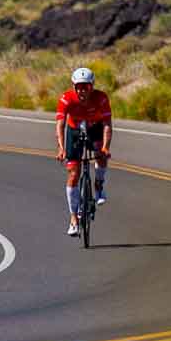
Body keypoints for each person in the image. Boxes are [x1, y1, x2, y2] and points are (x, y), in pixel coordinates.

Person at [54, 67, 112, 236]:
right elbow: (60, 124)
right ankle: (73, 219)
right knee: (73, 173)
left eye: (85, 87)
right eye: (78, 87)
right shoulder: (66, 99)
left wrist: (105, 147)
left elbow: (107, 125)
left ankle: (99, 184)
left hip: (95, 128)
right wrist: (61, 148)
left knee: (101, 156)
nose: (81, 91)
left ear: (91, 87)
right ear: (73, 87)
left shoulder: (101, 98)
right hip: (74, 130)